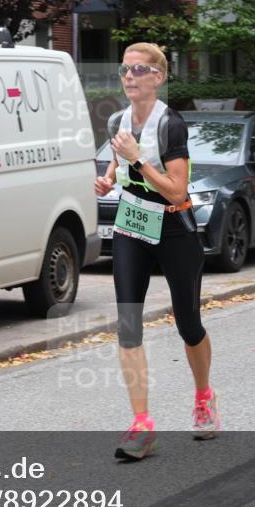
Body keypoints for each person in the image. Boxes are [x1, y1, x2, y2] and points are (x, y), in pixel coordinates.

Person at [94, 43, 218, 460]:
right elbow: (117, 157)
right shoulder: (118, 119)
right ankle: (141, 424)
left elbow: (178, 189)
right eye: (125, 69)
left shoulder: (171, 125)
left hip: (172, 225)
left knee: (188, 323)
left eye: (139, 69)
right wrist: (110, 176)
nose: (129, 75)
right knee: (128, 323)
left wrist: (139, 160)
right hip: (131, 224)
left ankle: (203, 397)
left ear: (158, 77)